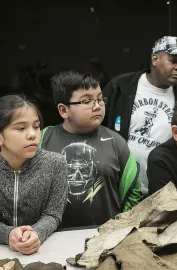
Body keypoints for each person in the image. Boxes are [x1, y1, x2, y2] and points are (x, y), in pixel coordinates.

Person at [40, 71, 142, 229]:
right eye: (86, 101)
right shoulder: (43, 140)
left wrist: (120, 227)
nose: (97, 106)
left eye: (100, 99)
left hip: (104, 237)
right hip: (52, 236)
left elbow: (133, 192)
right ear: (63, 110)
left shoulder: (116, 142)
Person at [102, 36, 177, 195]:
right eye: (173, 61)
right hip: (115, 186)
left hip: (158, 191)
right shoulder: (121, 87)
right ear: (155, 59)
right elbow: (97, 126)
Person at [0, 95, 68, 254]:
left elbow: (53, 214)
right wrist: (8, 234)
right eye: (21, 128)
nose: (32, 134)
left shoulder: (55, 164)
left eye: (36, 126)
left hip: (43, 251)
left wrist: (36, 233)